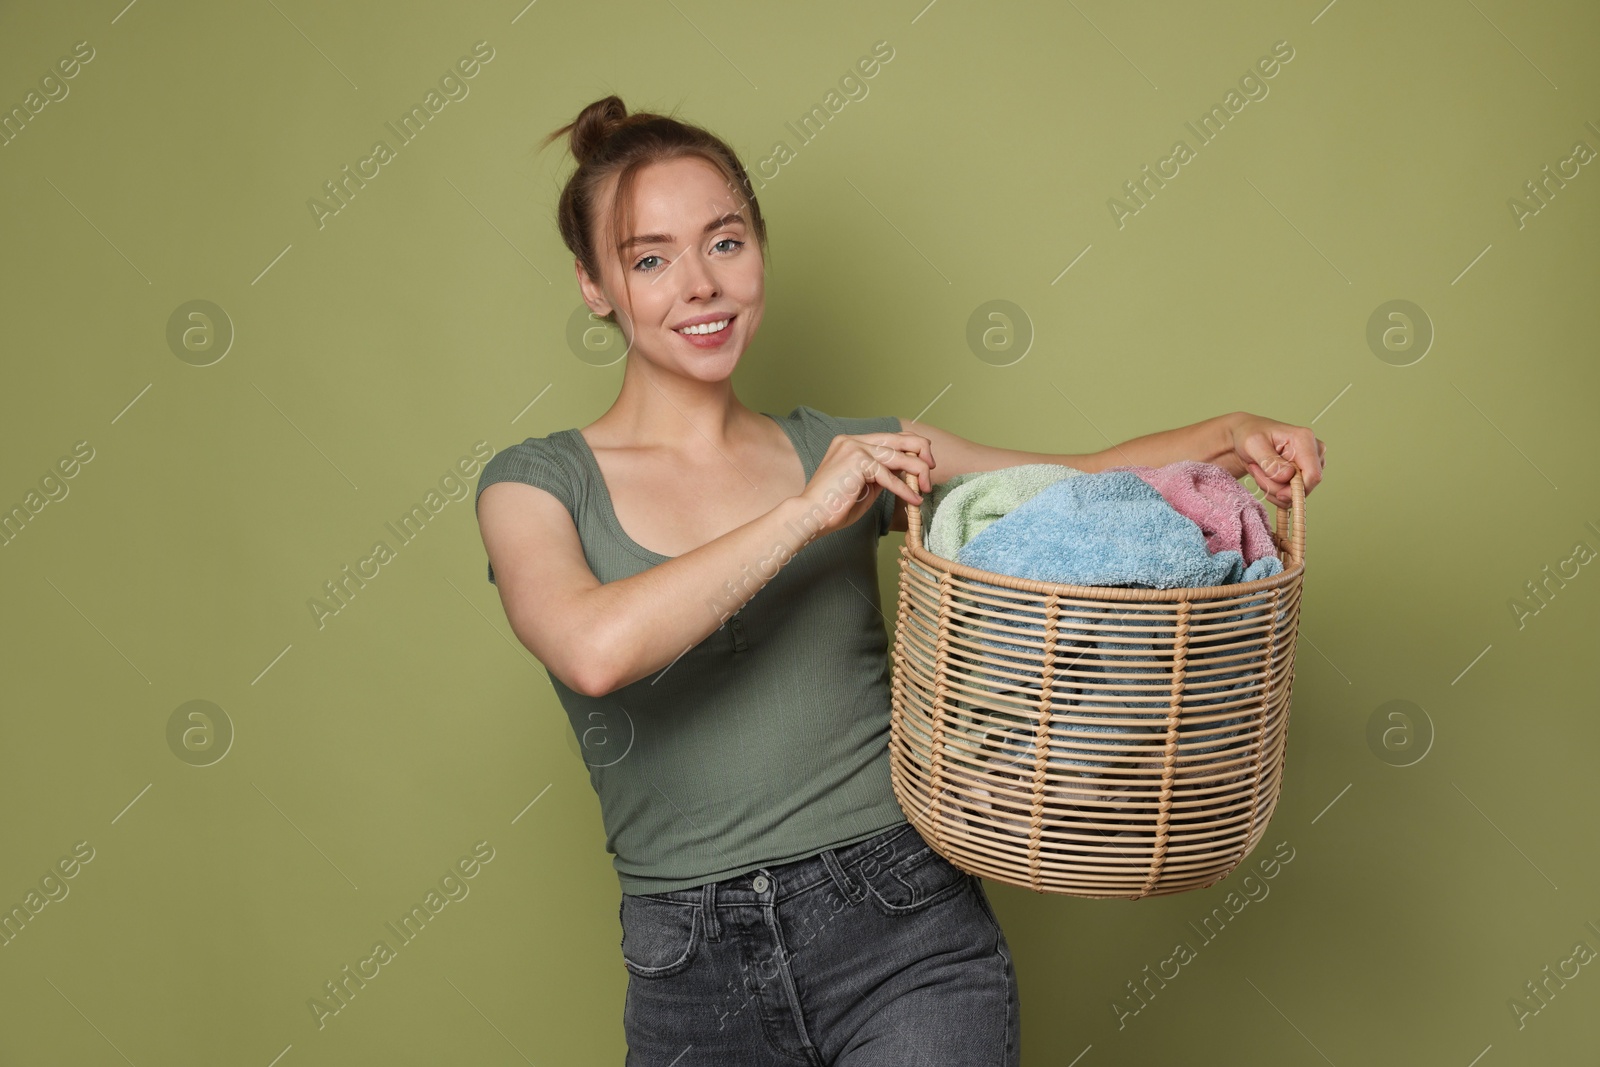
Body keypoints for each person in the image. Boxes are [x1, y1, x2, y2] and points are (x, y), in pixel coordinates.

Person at [474, 95, 1325, 1067]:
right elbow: (593, 648)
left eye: (725, 241)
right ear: (594, 285)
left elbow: (1072, 479)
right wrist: (804, 513)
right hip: (687, 961)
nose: (700, 286)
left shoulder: (849, 449)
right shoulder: (535, 483)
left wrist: (1229, 434)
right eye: (650, 258)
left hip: (901, 919)